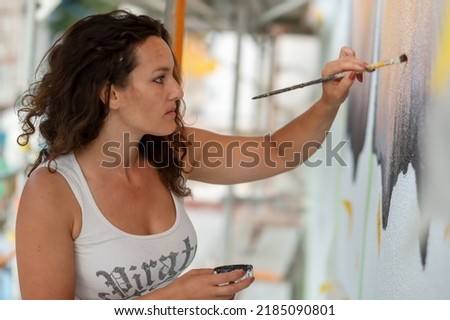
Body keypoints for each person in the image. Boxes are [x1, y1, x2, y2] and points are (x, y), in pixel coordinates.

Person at [15, 10, 366, 300]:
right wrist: (175, 297)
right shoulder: (52, 192)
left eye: (174, 76)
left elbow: (275, 153)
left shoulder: (169, 150)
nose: (178, 91)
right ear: (111, 94)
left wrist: (328, 101)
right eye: (159, 79)